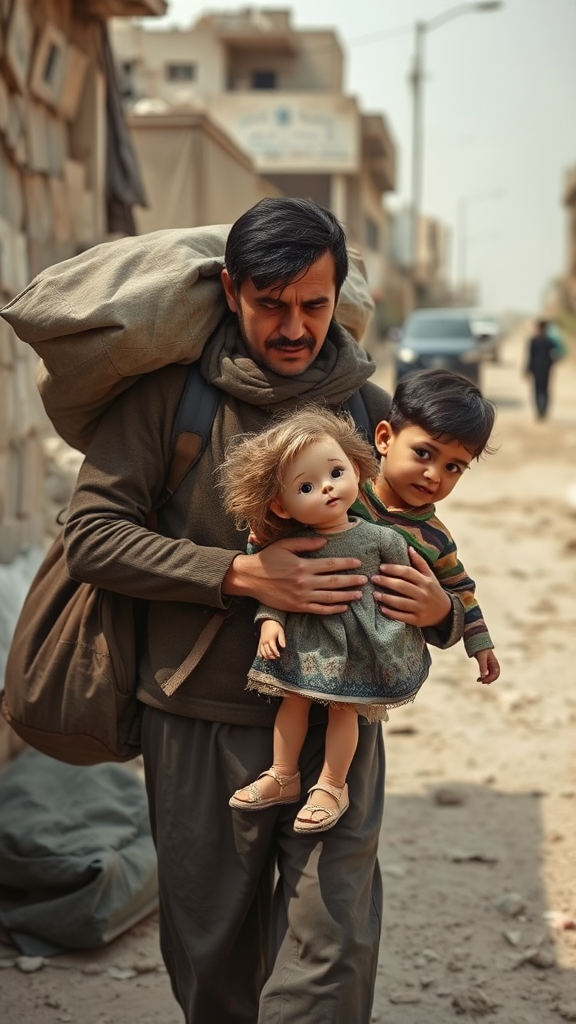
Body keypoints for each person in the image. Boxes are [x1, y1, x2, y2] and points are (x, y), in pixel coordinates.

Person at [63, 197, 465, 1024]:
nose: (294, 326)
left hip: (338, 728)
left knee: (333, 949)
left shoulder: (368, 411)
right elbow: (92, 538)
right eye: (270, 303)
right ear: (230, 289)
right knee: (213, 957)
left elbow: (423, 540)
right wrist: (243, 575)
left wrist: (439, 613)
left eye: (314, 305)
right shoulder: (170, 401)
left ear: (339, 296)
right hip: (199, 718)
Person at [221, 407, 431, 833]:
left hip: (360, 643)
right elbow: (272, 586)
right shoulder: (294, 543)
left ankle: (332, 785)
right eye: (306, 486)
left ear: (356, 467)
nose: (328, 489)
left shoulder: (383, 538)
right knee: (291, 701)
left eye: (336, 472)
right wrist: (270, 622)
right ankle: (283, 773)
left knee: (343, 711)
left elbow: (410, 586)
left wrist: (424, 617)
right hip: (307, 642)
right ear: (280, 505)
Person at [352, 368, 500, 685]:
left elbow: (462, 592)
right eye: (423, 453)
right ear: (384, 439)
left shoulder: (435, 538)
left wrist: (479, 643)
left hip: (378, 666)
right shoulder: (345, 494)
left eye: (453, 467)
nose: (434, 474)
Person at [525, 318, 558, 419]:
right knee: (539, 390)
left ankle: (542, 411)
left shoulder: (546, 341)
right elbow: (530, 356)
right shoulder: (544, 341)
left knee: (542, 390)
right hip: (541, 369)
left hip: (542, 369)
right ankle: (540, 411)